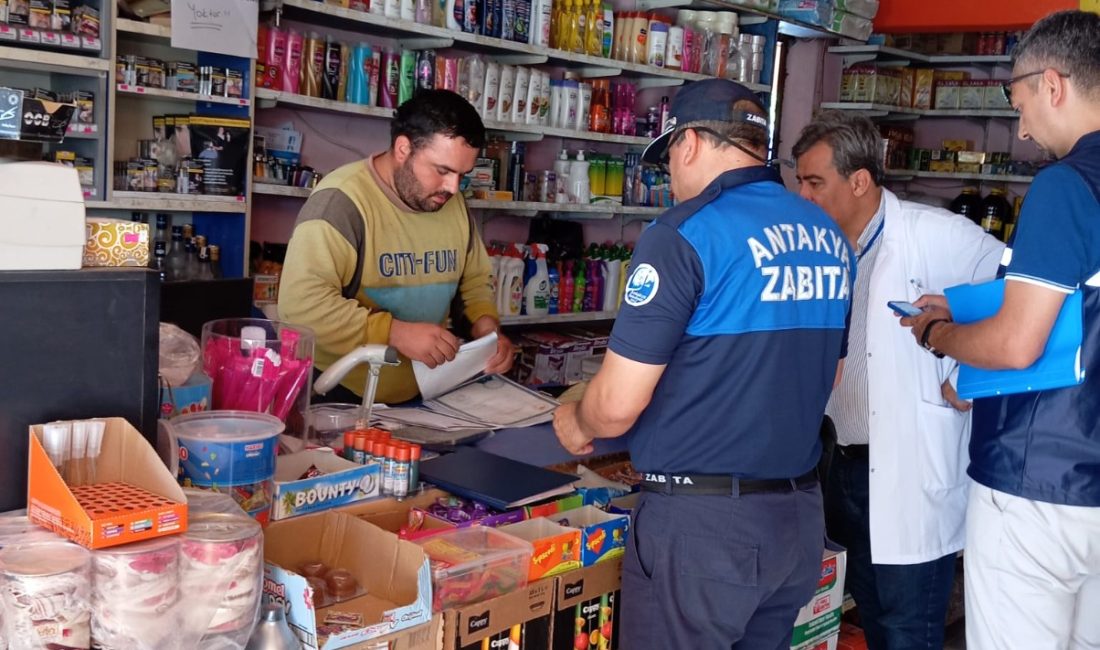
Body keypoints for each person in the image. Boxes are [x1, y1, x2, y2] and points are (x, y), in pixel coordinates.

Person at [552, 78, 854, 648]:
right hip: (796, 521)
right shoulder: (827, 236)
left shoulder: (685, 233)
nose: (670, 175)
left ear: (688, 143)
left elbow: (616, 408)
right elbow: (826, 377)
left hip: (703, 531)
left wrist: (579, 419)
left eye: (668, 158)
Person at [899, 11, 1100, 649]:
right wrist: (963, 301)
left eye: (1019, 103)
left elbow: (1018, 343)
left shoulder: (1066, 184)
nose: (1023, 127)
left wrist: (939, 336)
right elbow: (1081, 289)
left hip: (1038, 483)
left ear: (1053, 85)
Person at [792, 112, 1003, 650]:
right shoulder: (822, 245)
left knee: (908, 631)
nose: (803, 195)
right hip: (843, 464)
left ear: (859, 180)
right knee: (868, 613)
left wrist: (968, 375)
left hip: (911, 471)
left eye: (815, 182)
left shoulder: (936, 234)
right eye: (799, 181)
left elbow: (1018, 293)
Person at [278, 89, 513, 404]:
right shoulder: (340, 203)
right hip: (341, 394)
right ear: (403, 148)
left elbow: (473, 282)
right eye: (442, 170)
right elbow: (302, 308)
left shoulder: (451, 204)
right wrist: (394, 332)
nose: (453, 188)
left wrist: (487, 331)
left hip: (427, 394)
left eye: (462, 176)